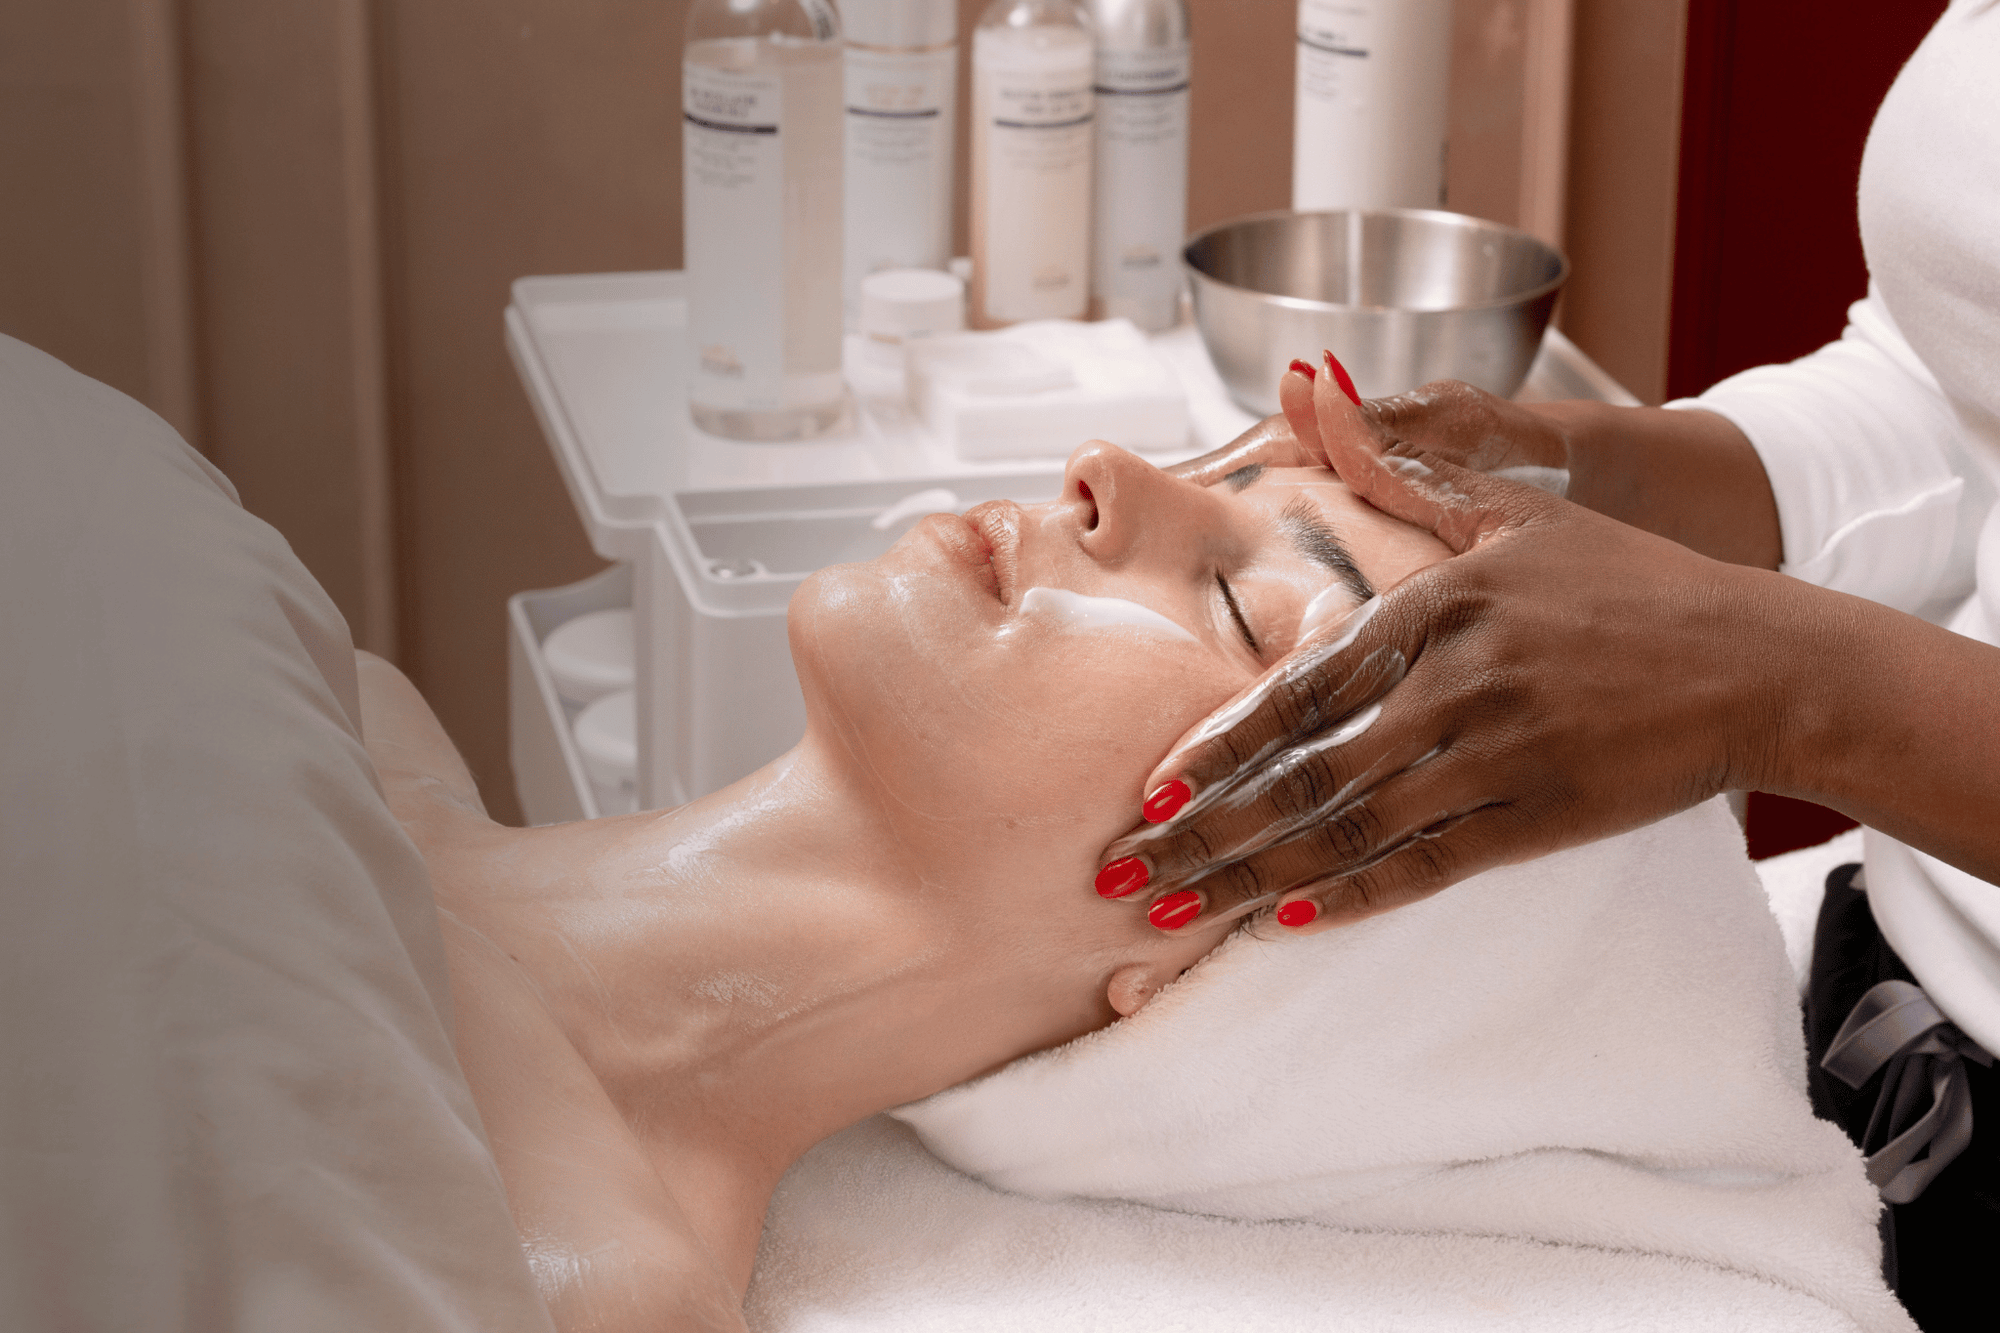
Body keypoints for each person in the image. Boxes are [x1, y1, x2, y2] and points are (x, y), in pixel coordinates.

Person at [1096, 5, 1997, 1328]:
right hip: (1875, 1008)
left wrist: (1780, 692)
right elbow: (1955, 392)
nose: (1100, 471)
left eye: (1237, 606)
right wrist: (1579, 465)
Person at [356, 439, 1452, 1332]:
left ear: (1196, 968)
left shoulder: (553, 1289)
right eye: (1212, 474)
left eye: (1236, 604)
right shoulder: (346, 705)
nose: (1105, 467)